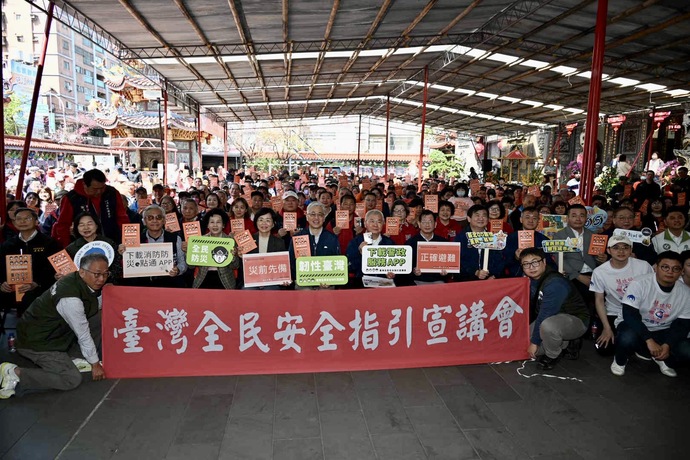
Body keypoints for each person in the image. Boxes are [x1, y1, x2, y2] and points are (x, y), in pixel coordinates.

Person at [0, 253, 108, 399]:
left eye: (105, 274)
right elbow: (82, 333)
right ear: (82, 272)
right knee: (71, 379)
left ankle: (75, 358)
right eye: (97, 274)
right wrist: (95, 364)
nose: (101, 279)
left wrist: (109, 294)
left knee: (99, 317)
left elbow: (92, 304)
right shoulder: (70, 298)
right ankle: (14, 373)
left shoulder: (77, 280)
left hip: (53, 331)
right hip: (39, 342)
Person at [611, 251, 690, 377]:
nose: (670, 272)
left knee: (686, 350)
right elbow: (630, 315)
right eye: (665, 267)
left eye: (675, 269)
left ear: (681, 272)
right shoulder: (639, 283)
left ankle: (661, 357)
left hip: (663, 329)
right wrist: (649, 340)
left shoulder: (686, 293)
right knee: (627, 337)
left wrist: (667, 345)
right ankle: (620, 359)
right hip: (636, 326)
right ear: (656, 268)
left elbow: (683, 324)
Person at [520, 247, 590, 370]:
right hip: (553, 317)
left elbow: (544, 315)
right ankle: (564, 342)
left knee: (546, 328)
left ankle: (552, 355)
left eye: (535, 262)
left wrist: (535, 343)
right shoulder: (531, 280)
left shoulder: (554, 283)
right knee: (522, 344)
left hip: (575, 319)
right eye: (526, 264)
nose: (531, 267)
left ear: (544, 262)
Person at [589, 235, 653, 355]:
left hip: (640, 311)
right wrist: (606, 327)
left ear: (631, 250)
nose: (621, 251)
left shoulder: (643, 266)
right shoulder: (600, 272)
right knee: (604, 349)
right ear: (608, 251)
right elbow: (599, 300)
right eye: (616, 248)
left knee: (631, 340)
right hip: (614, 311)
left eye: (625, 247)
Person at [0, 208, 61, 316]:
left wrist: (37, 283)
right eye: (19, 219)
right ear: (14, 222)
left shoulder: (50, 243)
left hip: (41, 294)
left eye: (27, 218)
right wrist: (2, 283)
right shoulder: (7, 245)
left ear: (36, 221)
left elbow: (56, 269)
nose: (23, 221)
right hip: (11, 295)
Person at [52, 169, 129, 247]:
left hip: (112, 241)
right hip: (82, 246)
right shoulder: (71, 198)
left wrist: (127, 240)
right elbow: (63, 225)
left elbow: (122, 218)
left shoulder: (112, 192)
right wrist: (66, 246)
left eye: (102, 188)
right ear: (85, 185)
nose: (99, 192)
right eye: (95, 189)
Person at [118, 205, 187, 288]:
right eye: (150, 218)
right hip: (142, 286)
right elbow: (127, 264)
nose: (155, 220)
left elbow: (182, 262)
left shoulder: (175, 238)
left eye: (159, 217)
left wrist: (178, 270)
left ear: (164, 220)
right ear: (144, 221)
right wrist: (123, 253)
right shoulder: (135, 240)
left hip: (169, 285)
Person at [553, 204, 606, 306]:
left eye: (581, 216)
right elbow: (559, 259)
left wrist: (602, 258)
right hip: (572, 275)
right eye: (574, 216)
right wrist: (578, 276)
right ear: (567, 218)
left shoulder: (592, 235)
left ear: (586, 218)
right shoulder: (559, 235)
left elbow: (596, 258)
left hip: (593, 274)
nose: (578, 219)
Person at [288, 202, 340, 290]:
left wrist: (331, 281)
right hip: (303, 281)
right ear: (307, 217)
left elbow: (337, 262)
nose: (316, 218)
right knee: (306, 291)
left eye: (320, 215)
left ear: (324, 218)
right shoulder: (298, 238)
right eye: (312, 214)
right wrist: (297, 278)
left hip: (326, 282)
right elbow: (292, 262)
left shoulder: (332, 238)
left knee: (325, 293)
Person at [191, 209, 240, 289]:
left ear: (223, 225)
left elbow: (235, 266)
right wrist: (189, 252)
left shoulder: (230, 241)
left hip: (225, 280)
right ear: (207, 225)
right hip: (204, 277)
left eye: (218, 222)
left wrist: (234, 256)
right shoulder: (200, 240)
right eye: (212, 222)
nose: (215, 225)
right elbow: (191, 266)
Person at [345, 209, 395, 288]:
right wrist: (360, 253)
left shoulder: (389, 243)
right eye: (372, 221)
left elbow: (396, 266)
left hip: (383, 284)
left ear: (383, 224)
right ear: (365, 223)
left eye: (379, 222)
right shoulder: (355, 242)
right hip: (361, 285)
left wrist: (392, 273)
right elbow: (350, 267)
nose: (375, 225)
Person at [454, 204, 505, 281]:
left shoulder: (494, 237)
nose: (481, 218)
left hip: (490, 279)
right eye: (477, 215)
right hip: (466, 280)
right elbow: (458, 260)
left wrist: (494, 275)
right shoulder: (461, 237)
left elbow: (500, 259)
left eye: (484, 215)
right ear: (469, 218)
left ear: (488, 219)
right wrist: (475, 272)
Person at [503, 206, 555, 277]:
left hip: (540, 277)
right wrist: (515, 257)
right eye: (527, 217)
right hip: (517, 276)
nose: (531, 221)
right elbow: (504, 262)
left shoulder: (544, 240)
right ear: (521, 219)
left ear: (538, 221)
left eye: (534, 218)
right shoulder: (510, 238)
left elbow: (550, 262)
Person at [408, 210, 448, 285]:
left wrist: (446, 272)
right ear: (419, 224)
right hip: (417, 281)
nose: (427, 225)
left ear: (435, 224)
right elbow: (406, 268)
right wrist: (413, 271)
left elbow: (449, 266)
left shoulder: (443, 243)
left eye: (430, 222)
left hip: (438, 281)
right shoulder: (410, 243)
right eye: (424, 222)